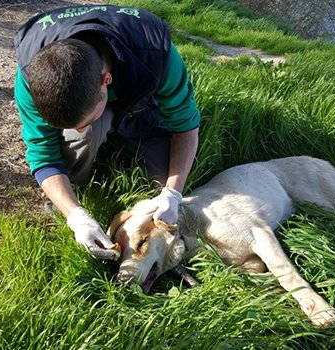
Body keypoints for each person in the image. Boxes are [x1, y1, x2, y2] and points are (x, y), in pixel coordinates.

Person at [13, 5, 201, 260]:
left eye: (84, 119)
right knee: (83, 136)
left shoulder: (156, 52)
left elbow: (186, 125)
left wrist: (173, 193)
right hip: (99, 91)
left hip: (137, 97)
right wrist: (75, 216)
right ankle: (78, 180)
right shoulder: (31, 75)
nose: (77, 129)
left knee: (159, 176)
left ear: (107, 81)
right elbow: (42, 153)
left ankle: (118, 136)